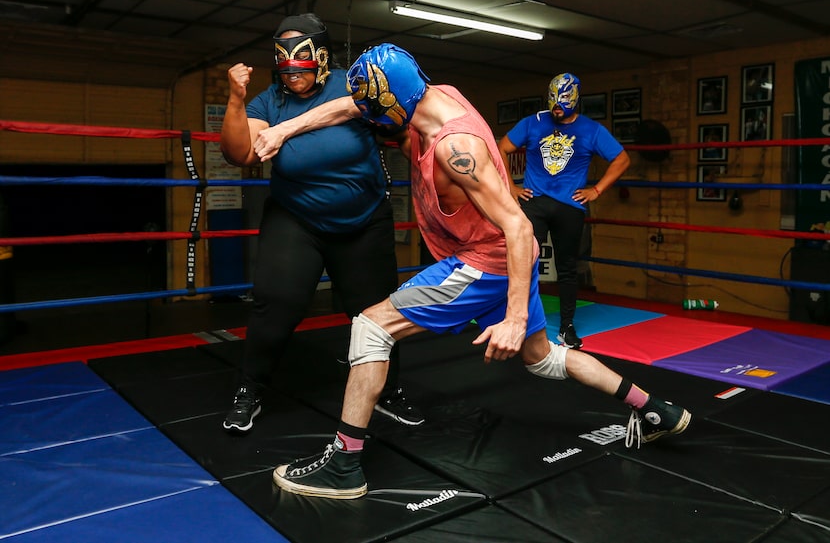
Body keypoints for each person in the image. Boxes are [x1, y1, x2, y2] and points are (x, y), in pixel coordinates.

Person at [261, 44, 691, 499]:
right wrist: (283, 130)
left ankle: (345, 466)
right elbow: (352, 105)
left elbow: (520, 228)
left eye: (374, 110)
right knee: (544, 359)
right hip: (499, 263)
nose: (369, 118)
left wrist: (515, 319)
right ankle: (655, 408)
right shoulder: (434, 95)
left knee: (370, 327)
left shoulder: (455, 149)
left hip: (485, 263)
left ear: (394, 103)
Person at [218, 15, 424, 434]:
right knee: (275, 306)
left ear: (322, 56)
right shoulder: (269, 101)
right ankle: (250, 389)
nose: (293, 75)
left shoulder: (353, 82)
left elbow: (384, 109)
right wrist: (236, 100)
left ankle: (387, 390)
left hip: (364, 220)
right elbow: (240, 155)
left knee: (377, 312)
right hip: (297, 218)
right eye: (286, 66)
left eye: (301, 64)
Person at [497, 73, 630, 349]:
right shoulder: (533, 122)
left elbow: (622, 158)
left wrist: (597, 190)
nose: (556, 108)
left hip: (570, 206)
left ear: (575, 99)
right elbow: (501, 148)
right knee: (523, 262)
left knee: (567, 268)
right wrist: (511, 188)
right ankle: (516, 321)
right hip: (535, 203)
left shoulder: (591, 130)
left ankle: (566, 327)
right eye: (553, 102)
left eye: (562, 103)